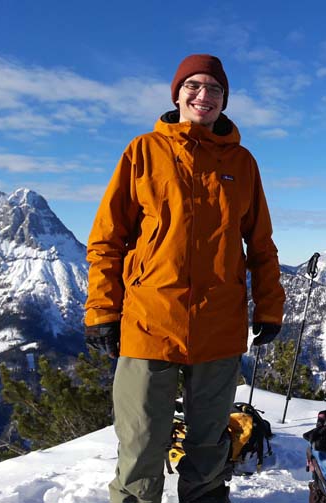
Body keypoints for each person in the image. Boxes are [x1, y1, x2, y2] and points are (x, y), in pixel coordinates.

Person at [84, 54, 286, 503]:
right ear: (176, 95)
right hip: (149, 322)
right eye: (194, 86)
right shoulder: (143, 152)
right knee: (140, 444)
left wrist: (271, 307)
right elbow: (106, 240)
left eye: (215, 89)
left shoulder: (243, 162)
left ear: (224, 100)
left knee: (210, 444)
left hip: (218, 325)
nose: (204, 95)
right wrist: (101, 308)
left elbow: (261, 243)